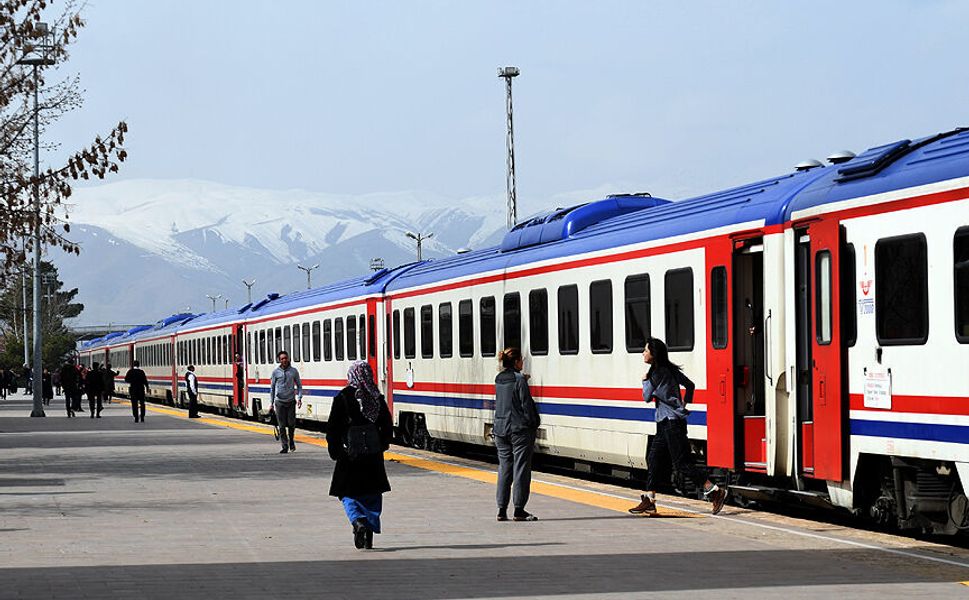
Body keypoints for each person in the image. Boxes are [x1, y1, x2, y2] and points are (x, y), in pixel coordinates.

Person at [628, 337, 728, 516]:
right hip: (666, 422)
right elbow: (690, 385)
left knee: (682, 464)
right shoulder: (670, 370)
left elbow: (646, 397)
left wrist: (644, 380)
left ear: (654, 354)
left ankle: (714, 491)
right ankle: (649, 500)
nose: (643, 353)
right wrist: (683, 404)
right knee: (653, 459)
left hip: (671, 423)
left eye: (646, 350)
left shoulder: (656, 374)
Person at [326, 360, 393, 550]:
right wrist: (382, 445)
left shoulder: (343, 397)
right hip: (372, 456)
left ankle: (357, 521)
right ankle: (368, 533)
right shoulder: (376, 397)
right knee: (372, 495)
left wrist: (335, 450)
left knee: (347, 493)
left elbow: (332, 428)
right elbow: (387, 425)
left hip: (350, 455)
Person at [493, 347, 541, 522]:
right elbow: (526, 405)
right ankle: (519, 509)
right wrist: (534, 423)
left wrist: (522, 380)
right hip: (518, 430)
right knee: (521, 468)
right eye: (521, 360)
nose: (522, 363)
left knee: (504, 468)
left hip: (500, 429)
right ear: (515, 362)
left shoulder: (499, 378)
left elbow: (507, 397)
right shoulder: (519, 380)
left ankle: (501, 509)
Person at [269, 350, 302, 453]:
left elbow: (299, 385)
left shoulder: (294, 371)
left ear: (288, 359)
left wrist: (299, 398)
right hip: (279, 402)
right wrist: (271, 403)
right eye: (282, 358)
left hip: (291, 401)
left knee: (291, 424)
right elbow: (272, 388)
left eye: (285, 358)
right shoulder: (275, 372)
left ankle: (291, 440)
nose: (284, 360)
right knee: (282, 426)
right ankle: (284, 446)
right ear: (279, 360)